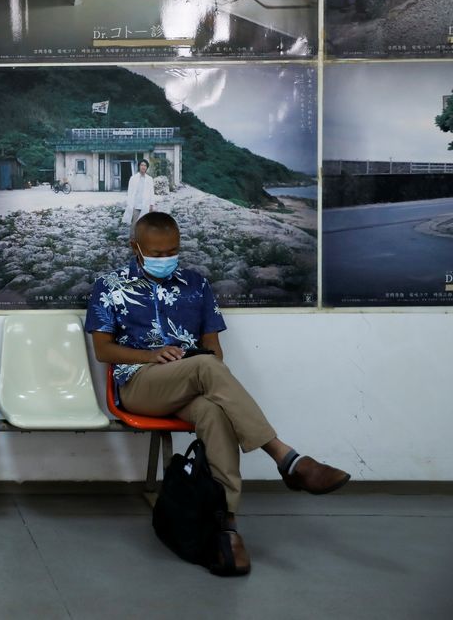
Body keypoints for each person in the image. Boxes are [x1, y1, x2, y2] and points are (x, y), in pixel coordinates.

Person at [85, 211, 349, 576]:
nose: (166, 258)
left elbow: (213, 348)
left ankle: (226, 526)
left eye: (172, 251)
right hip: (140, 383)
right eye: (157, 252)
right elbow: (104, 350)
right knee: (207, 368)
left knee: (213, 409)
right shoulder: (109, 284)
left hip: (193, 381)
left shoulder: (197, 284)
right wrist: (151, 356)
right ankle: (286, 459)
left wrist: (196, 365)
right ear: (136, 247)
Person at [121, 159, 156, 239]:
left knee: (145, 223)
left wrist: (151, 204)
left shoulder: (149, 179)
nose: (143, 167)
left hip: (145, 205)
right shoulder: (133, 178)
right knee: (134, 223)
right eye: (142, 165)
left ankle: (142, 241)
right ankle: (132, 240)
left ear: (147, 167)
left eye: (145, 165)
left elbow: (151, 192)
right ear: (139, 166)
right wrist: (130, 204)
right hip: (136, 205)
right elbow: (130, 192)